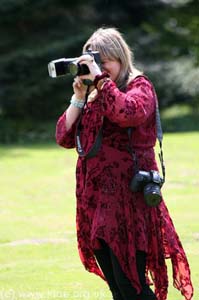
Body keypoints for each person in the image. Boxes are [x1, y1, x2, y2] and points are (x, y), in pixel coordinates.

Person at [55, 27, 193, 300]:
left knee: (132, 285)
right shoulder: (94, 94)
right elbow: (64, 136)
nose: (98, 69)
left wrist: (101, 81)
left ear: (119, 58)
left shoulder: (139, 86)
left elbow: (126, 113)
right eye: (93, 63)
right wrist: (79, 97)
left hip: (128, 199)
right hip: (95, 200)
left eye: (103, 63)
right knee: (118, 287)